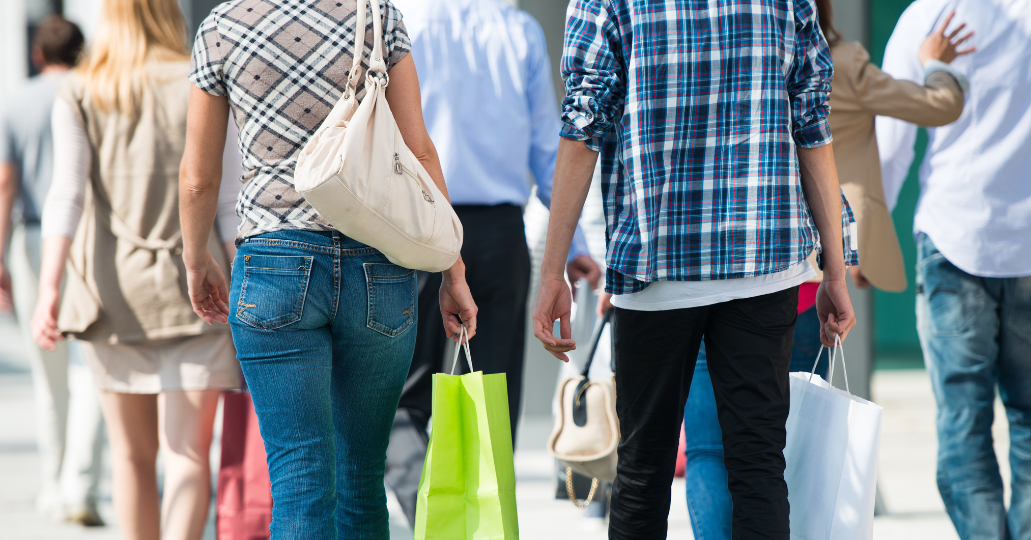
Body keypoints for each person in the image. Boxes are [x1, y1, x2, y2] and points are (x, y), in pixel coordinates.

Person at [533, 0, 859, 537]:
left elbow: (582, 124)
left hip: (656, 265)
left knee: (642, 471)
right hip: (764, 261)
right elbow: (811, 123)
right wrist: (834, 268)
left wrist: (553, 273)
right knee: (758, 467)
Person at [676, 2, 977, 537]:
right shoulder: (839, 61)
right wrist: (937, 65)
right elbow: (938, 104)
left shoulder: (703, 49)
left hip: (697, 271)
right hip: (800, 280)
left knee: (707, 447)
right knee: (781, 445)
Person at [180, 0, 479, 537]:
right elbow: (420, 152)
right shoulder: (376, 13)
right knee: (363, 478)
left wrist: (196, 259)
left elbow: (198, 178)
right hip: (378, 265)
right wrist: (451, 271)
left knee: (299, 480)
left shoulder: (221, 25)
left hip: (273, 264)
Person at [877, 0, 1031, 537]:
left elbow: (890, 141)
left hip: (953, 240)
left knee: (964, 429)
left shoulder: (929, 14)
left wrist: (866, 242)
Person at [28, 1, 247, 539]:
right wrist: (247, 287)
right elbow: (225, 200)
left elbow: (67, 194)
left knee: (130, 457)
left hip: (112, 293)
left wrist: (48, 289)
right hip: (202, 291)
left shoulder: (83, 89)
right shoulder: (201, 82)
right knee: (189, 453)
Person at [382, 0, 602, 523]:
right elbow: (546, 150)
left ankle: (431, 522)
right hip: (502, 238)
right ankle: (477, 529)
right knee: (489, 403)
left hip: (420, 228)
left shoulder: (403, 20)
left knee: (399, 402)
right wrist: (572, 247)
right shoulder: (519, 30)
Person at [0, 15, 107, 526]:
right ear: (81, 52)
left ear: (38, 54)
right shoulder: (97, 92)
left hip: (36, 237)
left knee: (50, 375)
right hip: (90, 241)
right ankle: (80, 485)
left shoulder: (15, 101)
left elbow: (4, 184)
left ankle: (51, 484)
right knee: (93, 368)